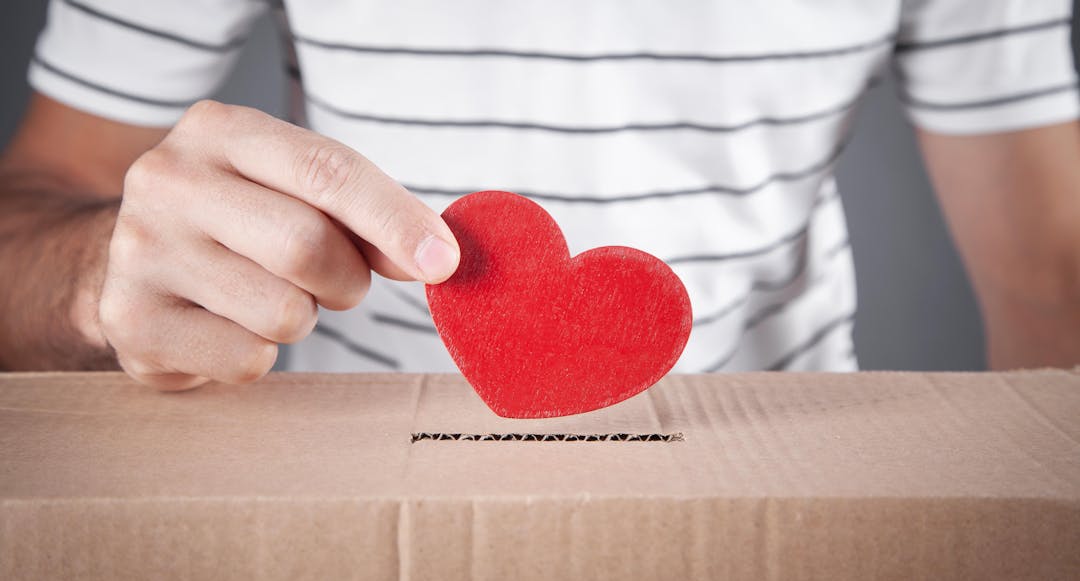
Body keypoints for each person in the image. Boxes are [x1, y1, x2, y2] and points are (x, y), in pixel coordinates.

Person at [1, 0, 1078, 390]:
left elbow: (1054, 281)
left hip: (778, 494)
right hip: (343, 504)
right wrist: (101, 274)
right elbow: (38, 199)